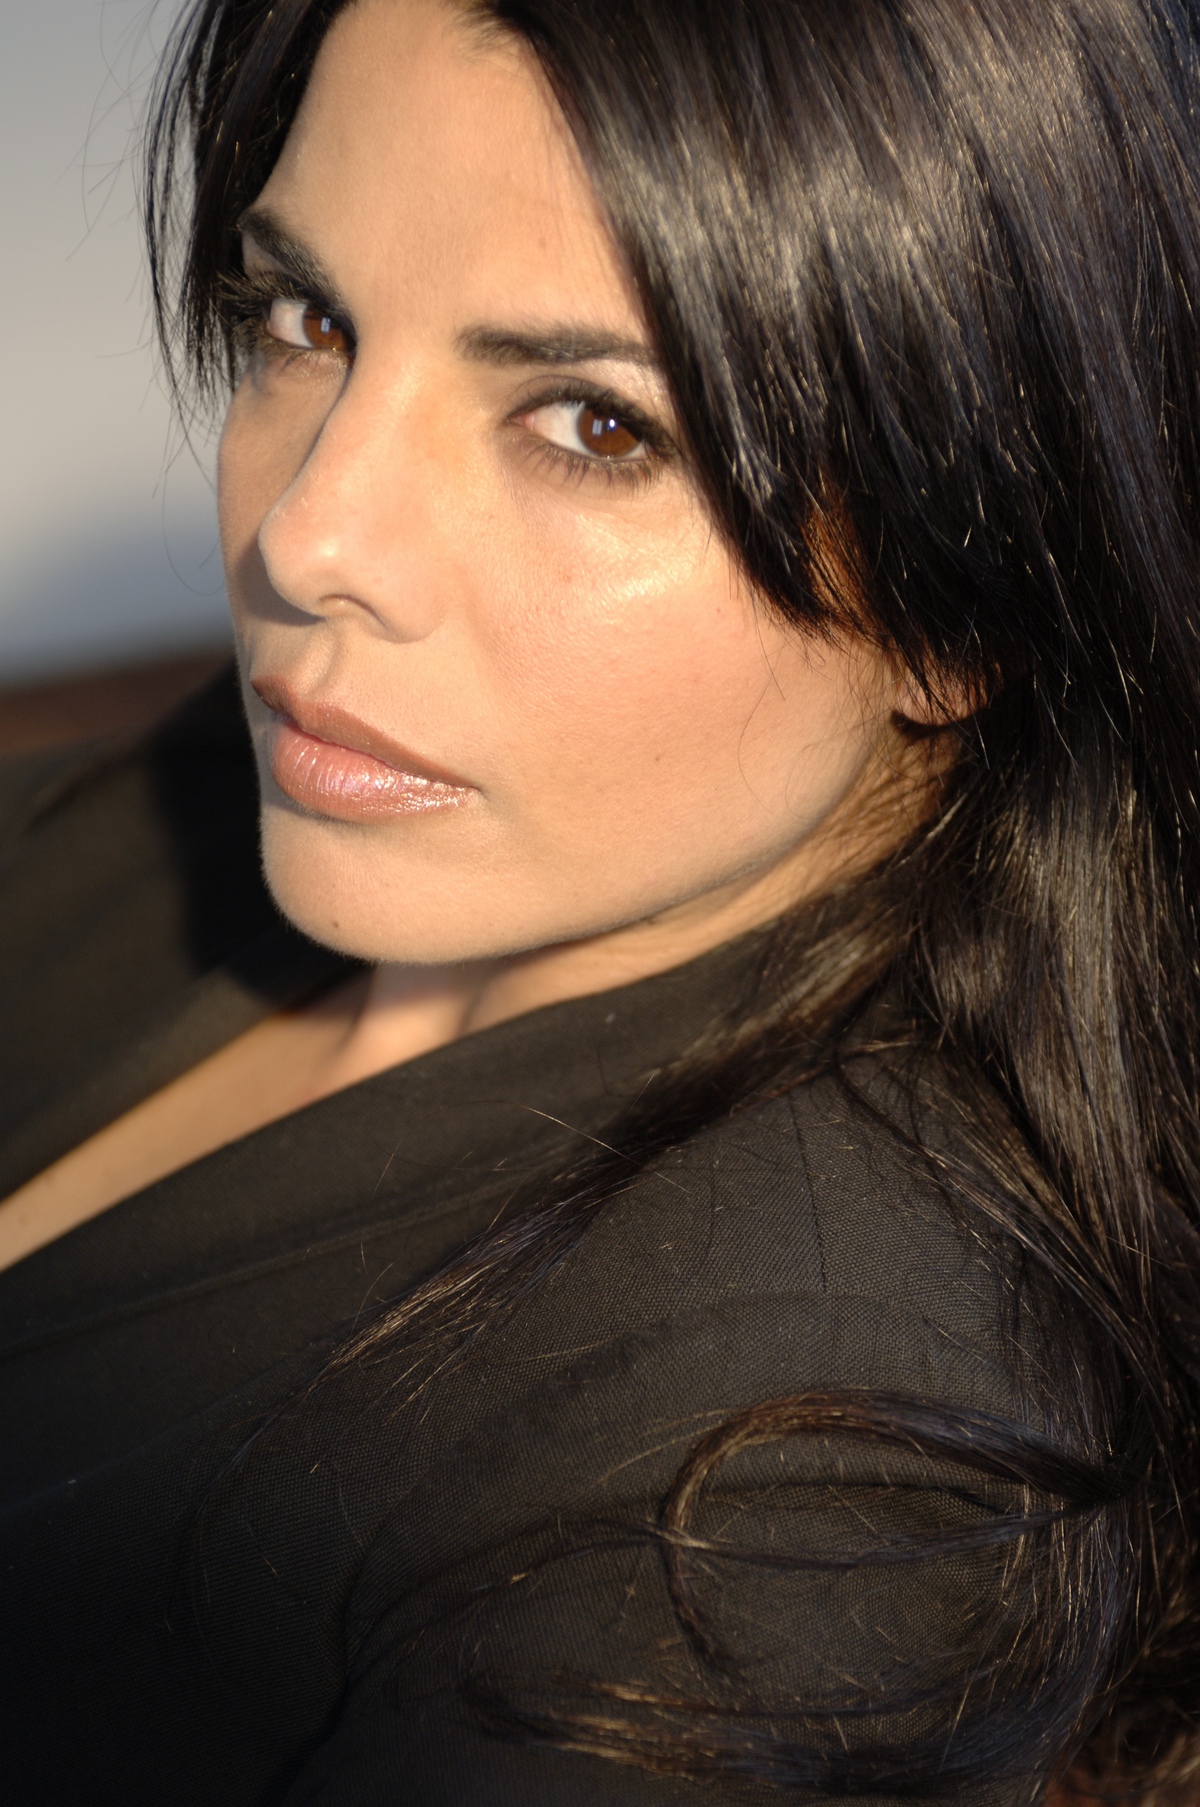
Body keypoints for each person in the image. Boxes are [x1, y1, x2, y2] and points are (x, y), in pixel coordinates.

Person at [2, 0, 1199, 1799]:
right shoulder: (250, 792)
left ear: (963, 592)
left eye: (593, 423)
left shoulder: (782, 1503)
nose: (311, 536)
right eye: (310, 321)